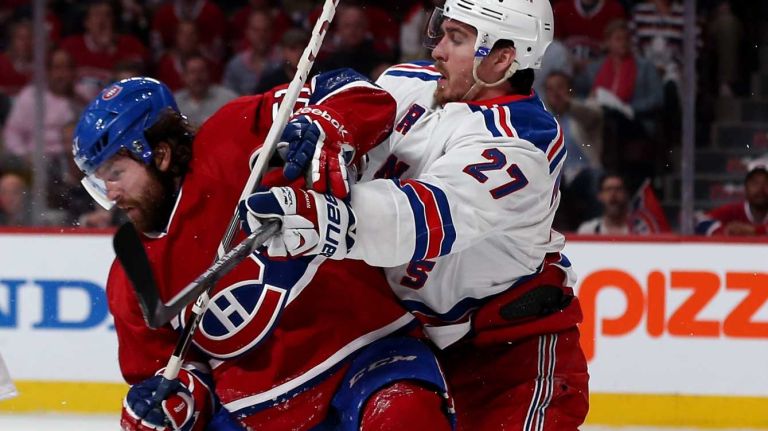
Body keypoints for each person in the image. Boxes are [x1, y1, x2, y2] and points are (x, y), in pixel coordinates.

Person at [239, 0, 590, 428]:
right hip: (411, 347)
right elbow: (353, 95)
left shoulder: (522, 147)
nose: (438, 50)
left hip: (509, 360)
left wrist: (328, 220)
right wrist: (327, 122)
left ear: (502, 57)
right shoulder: (409, 83)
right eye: (441, 32)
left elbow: (425, 217)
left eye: (457, 39)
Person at [73, 76, 453, 430]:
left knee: (404, 411)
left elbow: (354, 89)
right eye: (99, 182)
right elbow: (174, 373)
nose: (109, 195)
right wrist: (171, 405)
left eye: (115, 174)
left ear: (159, 155)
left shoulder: (230, 137)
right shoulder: (132, 277)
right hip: (256, 411)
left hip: (367, 356)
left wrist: (326, 124)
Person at [696, 161, 768, 236]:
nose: (760, 189)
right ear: (746, 188)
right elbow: (701, 221)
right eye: (755, 183)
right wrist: (724, 231)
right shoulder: (734, 210)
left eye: (766, 183)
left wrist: (754, 231)